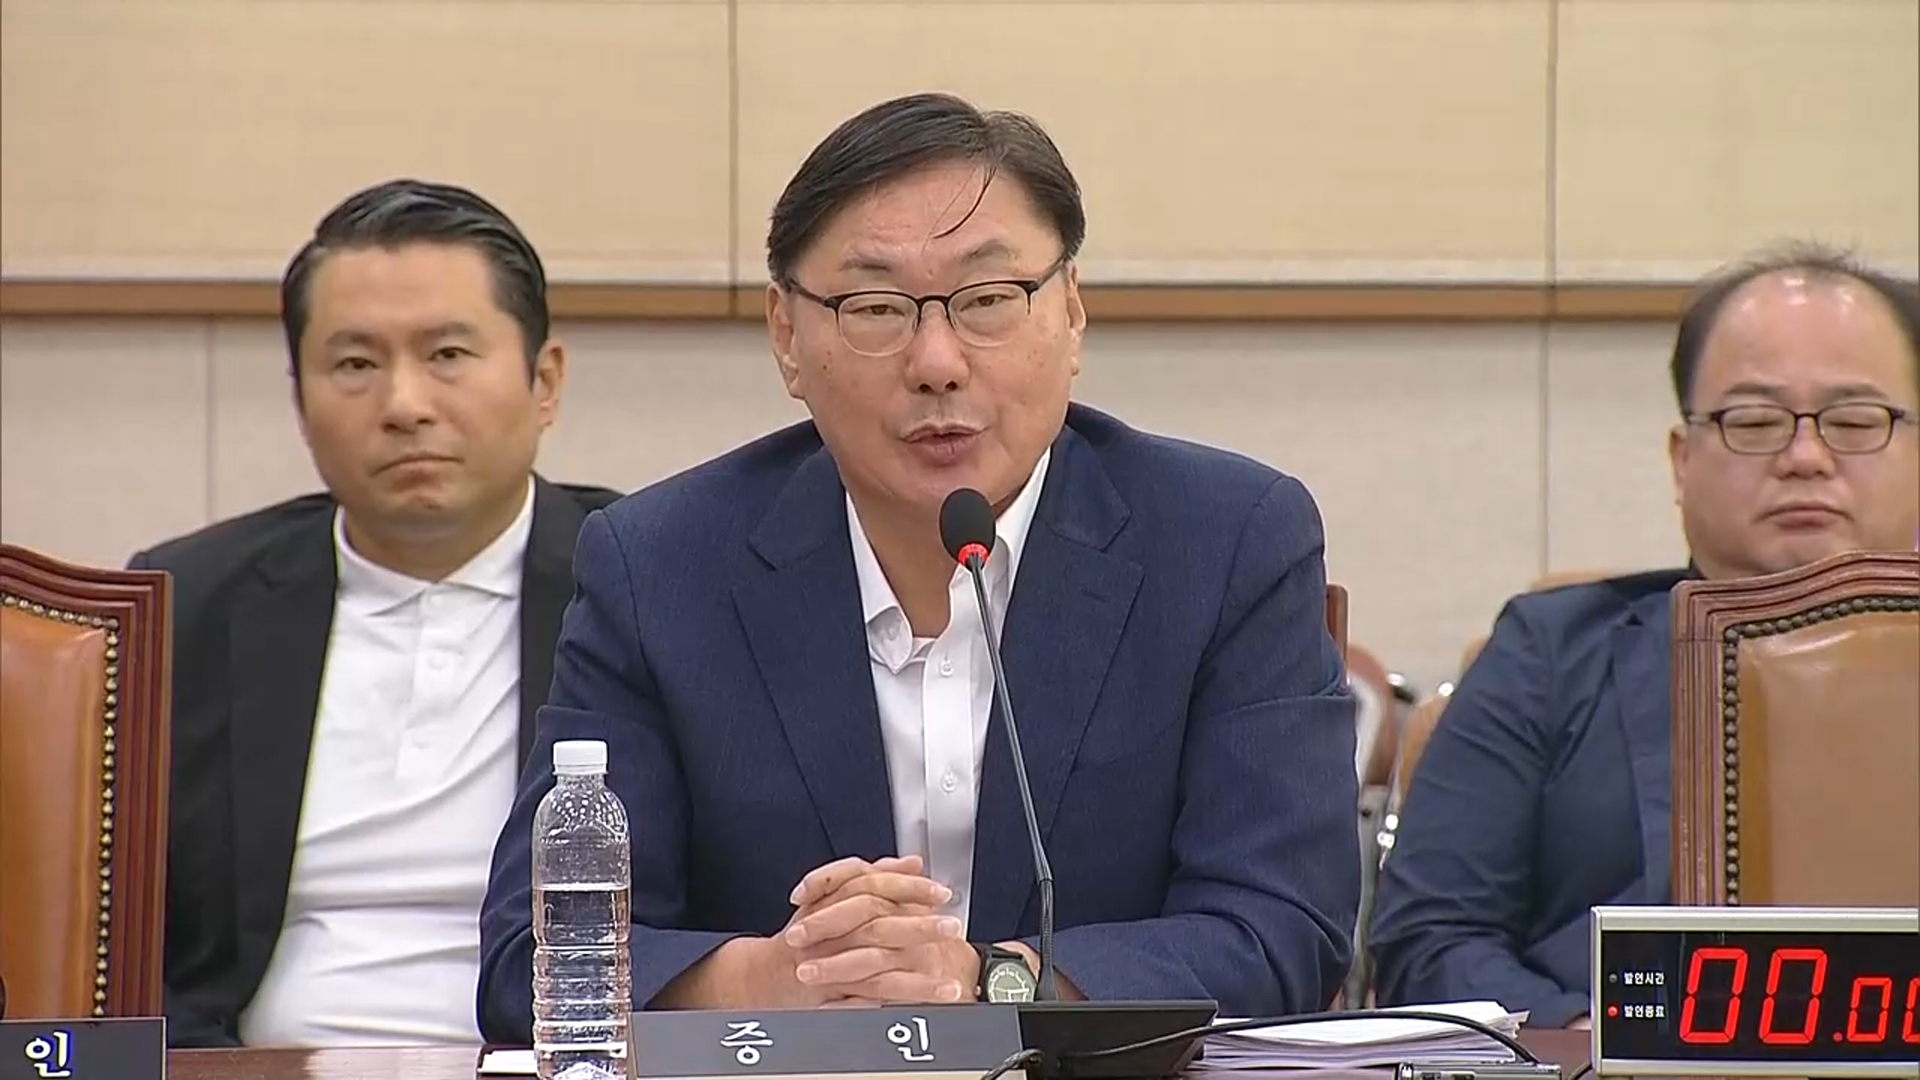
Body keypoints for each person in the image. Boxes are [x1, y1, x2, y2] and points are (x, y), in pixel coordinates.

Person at [475, 92, 1361, 1039]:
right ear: (787, 337)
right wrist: (774, 980)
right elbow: (532, 962)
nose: (937, 361)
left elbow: (1284, 930)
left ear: (1071, 312)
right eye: (876, 308)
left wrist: (990, 983)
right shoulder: (660, 568)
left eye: (988, 300)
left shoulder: (1226, 542)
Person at [1367, 243, 1920, 1026]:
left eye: (1855, 421)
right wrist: (1602, 1046)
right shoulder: (1547, 653)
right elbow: (1427, 944)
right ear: (1681, 461)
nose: (1805, 456)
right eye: (1754, 421)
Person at [134, 179, 622, 1048]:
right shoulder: (186, 603)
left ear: (544, 382)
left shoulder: (643, 587)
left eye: (447, 354)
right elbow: (128, 944)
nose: (404, 406)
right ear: (300, 400)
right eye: (356, 364)